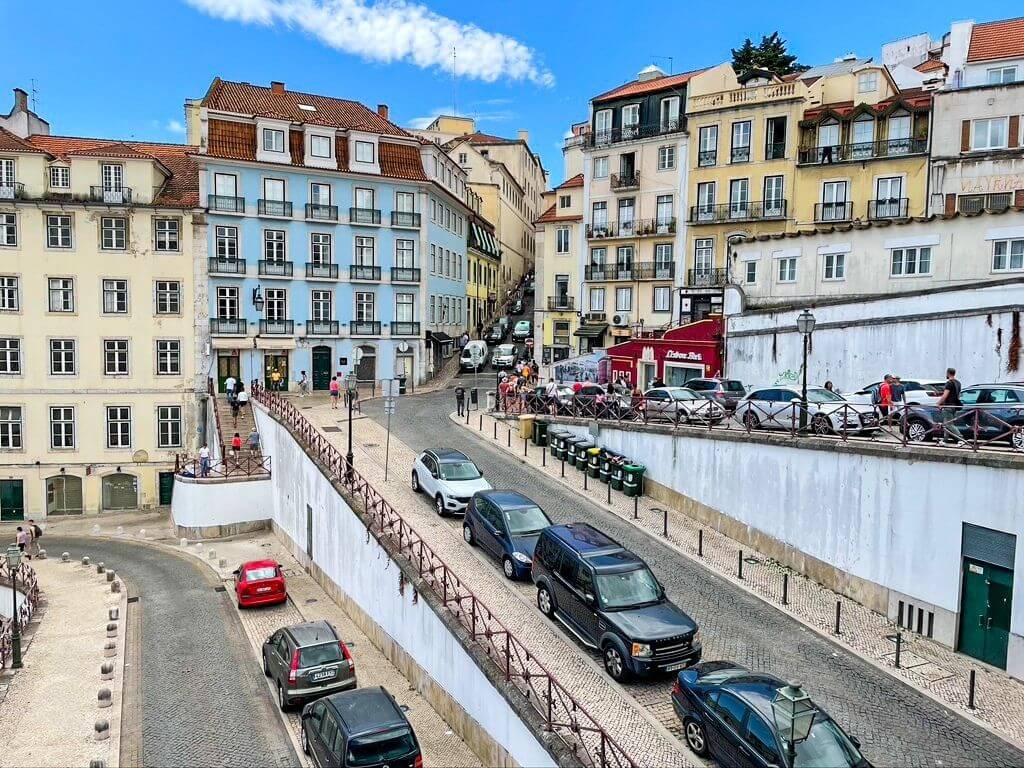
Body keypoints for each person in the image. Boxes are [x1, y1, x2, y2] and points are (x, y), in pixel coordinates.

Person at [935, 367, 963, 443]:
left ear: (948, 373)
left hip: (948, 406)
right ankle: (944, 440)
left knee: (949, 424)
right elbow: (958, 395)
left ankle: (961, 439)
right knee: (946, 424)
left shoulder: (949, 383)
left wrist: (938, 403)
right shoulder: (958, 383)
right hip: (954, 406)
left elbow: (945, 395)